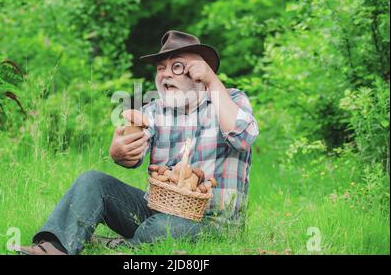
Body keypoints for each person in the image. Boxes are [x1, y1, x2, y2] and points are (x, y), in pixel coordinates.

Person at [19, 30, 259, 255]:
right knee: (93, 181)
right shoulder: (154, 110)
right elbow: (132, 154)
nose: (164, 74)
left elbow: (243, 138)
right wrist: (120, 152)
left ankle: (120, 247)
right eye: (160, 68)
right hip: (155, 212)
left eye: (176, 66)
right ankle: (54, 247)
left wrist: (213, 81)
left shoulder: (230, 99)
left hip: (212, 224)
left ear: (200, 72)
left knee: (161, 228)